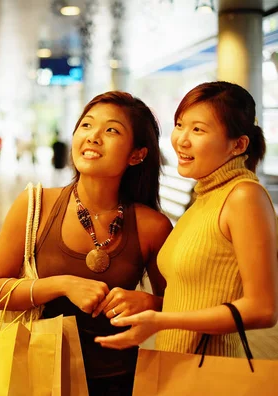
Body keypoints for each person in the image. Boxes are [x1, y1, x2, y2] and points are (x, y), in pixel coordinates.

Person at [0, 91, 173, 396]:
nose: (93, 137)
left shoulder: (152, 226)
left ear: (137, 154)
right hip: (41, 376)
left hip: (120, 380)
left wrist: (150, 303)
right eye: (86, 125)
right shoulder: (35, 205)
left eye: (111, 130)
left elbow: (178, 307)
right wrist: (62, 284)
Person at [95, 81, 278, 356]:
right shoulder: (205, 196)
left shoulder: (244, 197)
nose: (181, 139)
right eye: (180, 125)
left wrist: (161, 320)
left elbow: (262, 309)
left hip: (212, 369)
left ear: (238, 145)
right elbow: (200, 298)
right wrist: (153, 303)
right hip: (177, 364)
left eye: (198, 130)